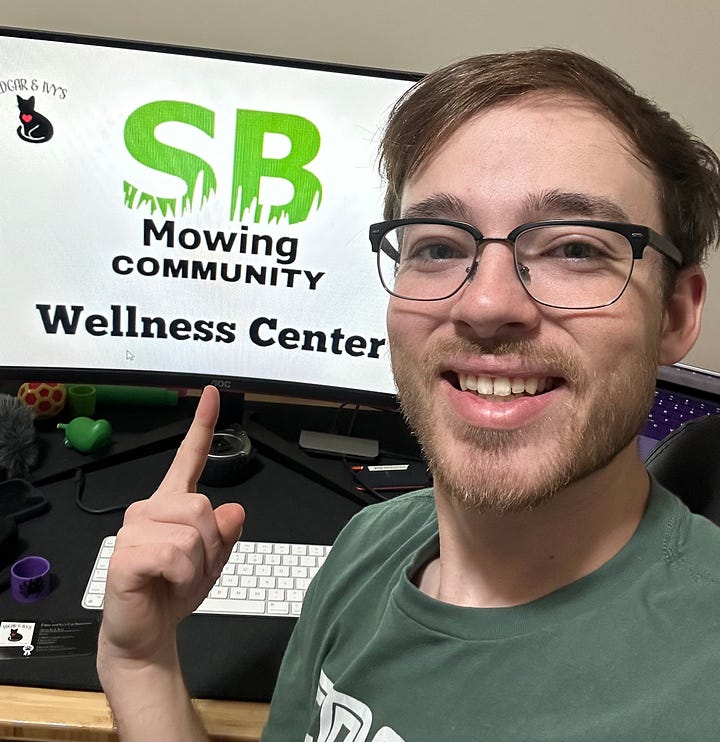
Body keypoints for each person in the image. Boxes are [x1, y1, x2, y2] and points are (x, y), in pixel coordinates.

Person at [97, 48, 720, 740]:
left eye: (576, 248)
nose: (485, 304)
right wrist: (140, 660)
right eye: (437, 245)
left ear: (675, 315)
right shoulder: (374, 540)